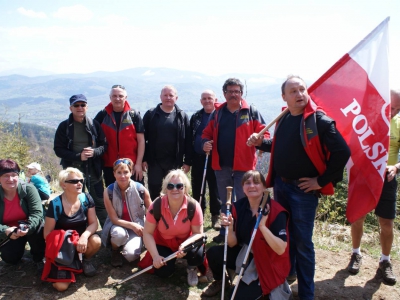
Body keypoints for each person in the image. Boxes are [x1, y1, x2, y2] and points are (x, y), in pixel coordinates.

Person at [248, 75, 351, 300]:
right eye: (293, 91)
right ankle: (290, 273)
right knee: (286, 236)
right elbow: (280, 146)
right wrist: (261, 143)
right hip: (282, 187)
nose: (299, 95)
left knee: (303, 243)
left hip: (303, 192)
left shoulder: (319, 121)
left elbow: (343, 152)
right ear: (284, 96)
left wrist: (321, 181)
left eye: (302, 90)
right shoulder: (285, 118)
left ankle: (306, 294)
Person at [202, 171, 291, 299]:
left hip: (268, 262)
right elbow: (232, 243)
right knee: (213, 253)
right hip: (247, 254)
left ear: (264, 187)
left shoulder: (276, 211)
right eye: (247, 183)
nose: (252, 186)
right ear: (243, 188)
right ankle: (222, 282)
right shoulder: (238, 207)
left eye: (256, 182)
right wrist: (230, 227)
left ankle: (262, 288)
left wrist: (262, 227)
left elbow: (281, 249)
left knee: (236, 297)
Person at [202, 78, 268, 243]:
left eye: (236, 91)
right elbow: (206, 134)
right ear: (224, 94)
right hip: (221, 165)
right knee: (225, 202)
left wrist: (258, 139)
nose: (233, 94)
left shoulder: (251, 111)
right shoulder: (217, 113)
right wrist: (205, 143)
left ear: (241, 93)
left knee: (244, 201)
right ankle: (226, 233)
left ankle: (243, 233)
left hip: (244, 167)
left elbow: (265, 134)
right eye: (230, 91)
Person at [347, 89, 400, 284]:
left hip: (387, 178)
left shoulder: (398, 124)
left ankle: (385, 261)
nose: (393, 111)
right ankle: (355, 253)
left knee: (386, 223)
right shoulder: (365, 121)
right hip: (363, 176)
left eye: (397, 109)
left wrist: (395, 166)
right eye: (391, 107)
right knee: (358, 217)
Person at [142, 169, 205, 286]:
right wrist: (155, 256)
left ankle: (191, 268)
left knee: (198, 254)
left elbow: (198, 233)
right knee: (163, 272)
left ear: (185, 188)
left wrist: (185, 245)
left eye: (179, 186)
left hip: (185, 241)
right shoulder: (156, 205)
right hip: (163, 242)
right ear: (166, 189)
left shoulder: (194, 206)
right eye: (170, 186)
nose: (175, 189)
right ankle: (170, 264)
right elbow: (147, 233)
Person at [54, 94, 108, 227]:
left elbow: (104, 145)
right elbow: (58, 149)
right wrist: (78, 156)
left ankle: (108, 236)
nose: (80, 108)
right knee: (75, 201)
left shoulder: (94, 124)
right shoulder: (64, 126)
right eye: (76, 105)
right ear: (70, 108)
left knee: (100, 202)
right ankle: (79, 232)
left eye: (82, 105)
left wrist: (95, 152)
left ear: (87, 107)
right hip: (73, 171)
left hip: (93, 169)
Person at [43, 167, 101, 291]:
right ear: (63, 185)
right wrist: (68, 242)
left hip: (82, 243)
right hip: (63, 247)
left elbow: (93, 224)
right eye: (74, 181)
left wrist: (84, 237)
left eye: (80, 180)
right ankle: (69, 264)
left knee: (96, 240)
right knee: (61, 287)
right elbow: (47, 234)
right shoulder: (55, 204)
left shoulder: (86, 199)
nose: (79, 183)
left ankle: (85, 260)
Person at [142, 85, 192, 200]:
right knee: (154, 189)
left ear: (176, 98)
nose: (168, 98)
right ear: (160, 97)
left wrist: (187, 161)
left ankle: (172, 214)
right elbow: (142, 138)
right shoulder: (151, 115)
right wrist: (144, 158)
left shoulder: (182, 116)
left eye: (171, 95)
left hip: (175, 162)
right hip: (154, 161)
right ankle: (156, 214)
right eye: (165, 95)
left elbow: (188, 140)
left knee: (174, 190)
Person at [101, 158, 152, 267]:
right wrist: (132, 225)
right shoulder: (108, 192)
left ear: (131, 172)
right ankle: (115, 250)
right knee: (119, 235)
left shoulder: (140, 189)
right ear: (114, 174)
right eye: (119, 172)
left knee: (131, 256)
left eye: (126, 172)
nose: (122, 176)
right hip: (117, 226)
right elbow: (114, 219)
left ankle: (129, 245)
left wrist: (149, 230)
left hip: (137, 227)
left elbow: (151, 212)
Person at [94, 85, 145, 186]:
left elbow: (141, 141)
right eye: (114, 96)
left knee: (136, 195)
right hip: (110, 165)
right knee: (113, 195)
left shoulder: (134, 115)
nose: (117, 98)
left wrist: (139, 163)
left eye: (121, 96)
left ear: (126, 98)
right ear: (110, 97)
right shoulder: (102, 115)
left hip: (131, 165)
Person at [0, 159, 45, 270]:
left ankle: (39, 257)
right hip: (9, 231)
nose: (10, 179)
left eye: (14, 175)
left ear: (19, 176)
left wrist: (28, 227)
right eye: (6, 175)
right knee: (10, 259)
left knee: (40, 226)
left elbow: (37, 213)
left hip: (29, 226)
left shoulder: (28, 189)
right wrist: (5, 230)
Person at [189, 90, 221, 228]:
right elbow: (190, 138)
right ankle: (198, 214)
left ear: (215, 99)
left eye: (210, 98)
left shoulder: (220, 115)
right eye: (204, 98)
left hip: (215, 158)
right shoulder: (196, 116)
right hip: (197, 158)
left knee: (215, 188)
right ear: (201, 101)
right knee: (197, 187)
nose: (207, 101)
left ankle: (216, 216)